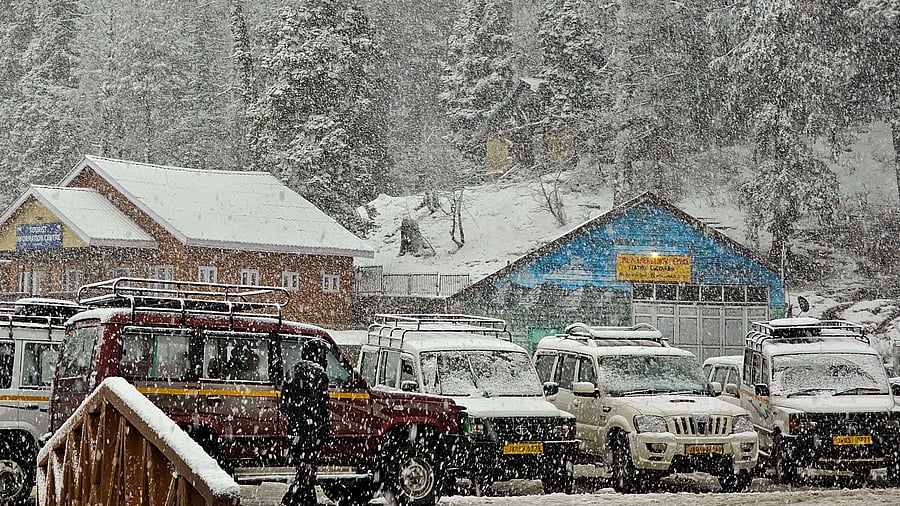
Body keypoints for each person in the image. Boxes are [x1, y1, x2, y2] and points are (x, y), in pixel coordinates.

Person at [281, 339, 331, 506]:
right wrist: (323, 428)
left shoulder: (292, 371)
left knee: (303, 468)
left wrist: (295, 418)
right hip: (311, 431)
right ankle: (296, 498)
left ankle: (300, 498)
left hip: (295, 429)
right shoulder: (319, 374)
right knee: (308, 468)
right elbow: (320, 406)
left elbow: (284, 403)